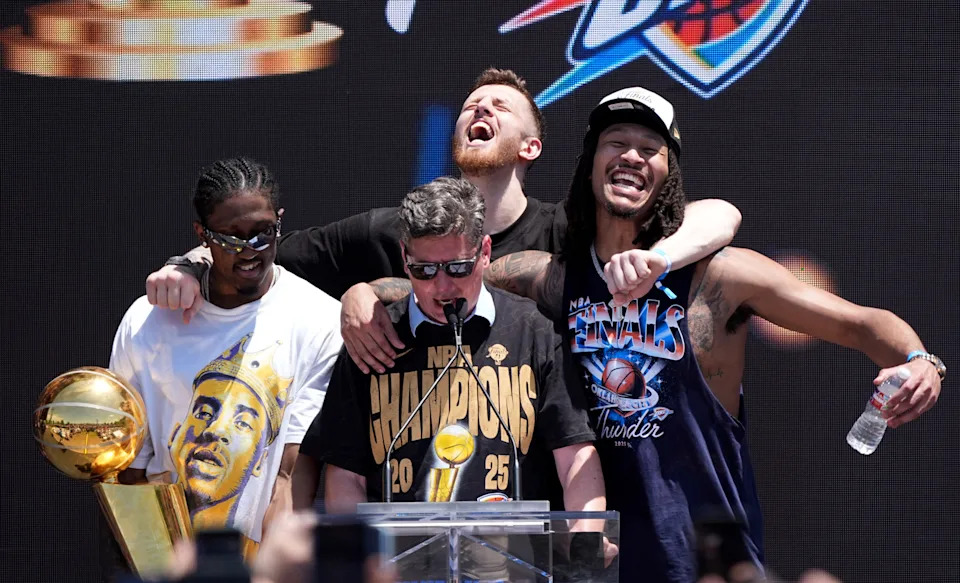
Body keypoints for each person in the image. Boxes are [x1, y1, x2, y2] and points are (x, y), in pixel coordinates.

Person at [481, 87, 945, 581]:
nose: (632, 156)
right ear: (590, 163)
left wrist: (921, 361)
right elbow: (448, 280)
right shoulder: (555, 278)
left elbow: (861, 323)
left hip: (703, 563)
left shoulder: (720, 276)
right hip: (597, 565)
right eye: (616, 142)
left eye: (650, 148)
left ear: (668, 176)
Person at [143, 68, 742, 374]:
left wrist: (660, 257)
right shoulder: (388, 229)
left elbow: (720, 214)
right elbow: (260, 250)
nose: (481, 109)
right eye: (471, 106)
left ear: (530, 147)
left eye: (500, 107)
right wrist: (188, 265)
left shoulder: (569, 232)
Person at [292, 177, 608, 521]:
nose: (442, 287)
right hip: (398, 553)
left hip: (511, 550)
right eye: (424, 270)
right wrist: (359, 547)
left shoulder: (535, 331)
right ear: (404, 258)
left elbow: (575, 456)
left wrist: (586, 535)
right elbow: (345, 474)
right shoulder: (372, 338)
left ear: (484, 252)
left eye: (458, 268)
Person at [111, 158, 343, 554]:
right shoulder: (146, 321)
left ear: (279, 222)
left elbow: (289, 477)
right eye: (231, 238)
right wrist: (157, 566)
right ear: (202, 234)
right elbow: (129, 474)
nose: (249, 250)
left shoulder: (320, 321)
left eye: (262, 233)